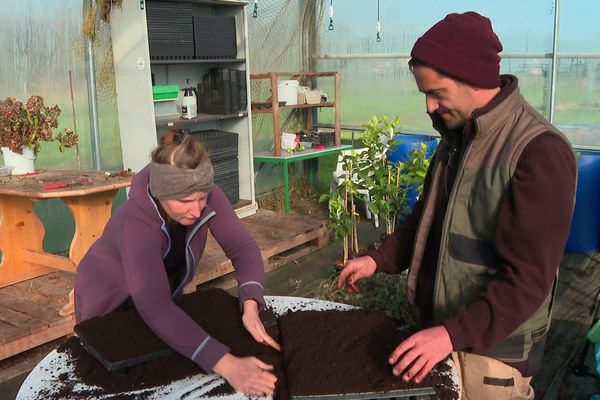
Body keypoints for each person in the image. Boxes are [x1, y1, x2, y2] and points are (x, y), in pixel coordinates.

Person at [338, 11, 576, 400]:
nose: (429, 107)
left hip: (493, 356)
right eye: (425, 95)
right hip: (443, 333)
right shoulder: (456, 139)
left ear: (473, 81)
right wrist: (377, 259)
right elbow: (426, 222)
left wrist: (451, 334)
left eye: (437, 93)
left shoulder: (538, 151)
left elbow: (528, 280)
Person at [75, 131, 280, 396]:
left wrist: (250, 302)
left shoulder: (202, 191)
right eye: (184, 202)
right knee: (116, 371)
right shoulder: (135, 223)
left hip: (156, 295)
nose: (197, 211)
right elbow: (154, 304)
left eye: (202, 199)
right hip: (108, 300)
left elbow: (242, 248)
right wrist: (228, 365)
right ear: (161, 195)